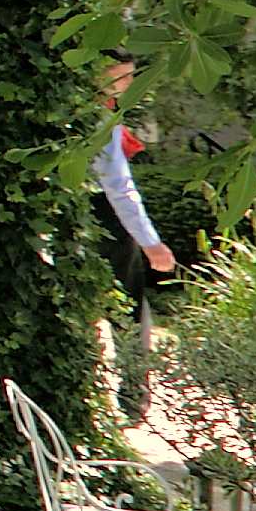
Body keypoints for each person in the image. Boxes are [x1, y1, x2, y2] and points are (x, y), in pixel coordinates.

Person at [96, 58, 180, 420]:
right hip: (104, 216)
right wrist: (151, 243)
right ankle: (133, 396)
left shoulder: (80, 113)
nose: (129, 82)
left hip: (76, 213)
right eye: (123, 75)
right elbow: (119, 186)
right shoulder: (99, 119)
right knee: (127, 307)